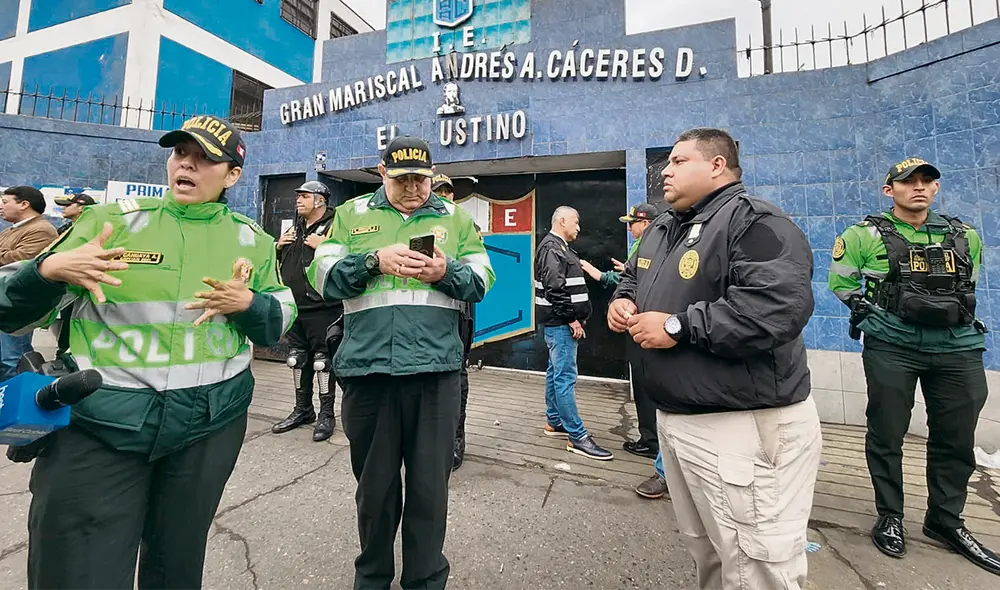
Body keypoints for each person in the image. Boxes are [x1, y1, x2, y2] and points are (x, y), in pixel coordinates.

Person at [0, 115, 296, 589]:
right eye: (181, 154)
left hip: (209, 425)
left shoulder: (252, 240)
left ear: (232, 175)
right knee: (76, 568)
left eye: (205, 159)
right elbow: (10, 312)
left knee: (176, 566)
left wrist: (249, 304)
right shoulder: (107, 223)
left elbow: (281, 315)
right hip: (100, 424)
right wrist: (49, 270)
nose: (188, 166)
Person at [608, 128, 820, 589]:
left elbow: (776, 308)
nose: (666, 169)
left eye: (680, 161)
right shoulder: (664, 227)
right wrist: (622, 302)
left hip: (742, 425)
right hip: (680, 420)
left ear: (717, 165)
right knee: (710, 554)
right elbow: (632, 277)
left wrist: (677, 326)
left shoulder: (755, 221)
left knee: (755, 566)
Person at [306, 136, 494, 589]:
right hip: (369, 373)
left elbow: (483, 281)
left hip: (435, 375)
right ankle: (371, 579)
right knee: (375, 494)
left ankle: (425, 581)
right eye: (402, 179)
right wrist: (373, 261)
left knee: (430, 494)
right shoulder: (350, 215)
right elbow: (324, 278)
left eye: (421, 179)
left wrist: (445, 271)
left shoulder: (457, 219)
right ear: (381, 172)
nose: (413, 188)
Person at [829, 157, 999, 575]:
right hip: (893, 345)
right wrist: (874, 320)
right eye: (908, 183)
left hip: (958, 347)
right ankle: (890, 514)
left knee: (956, 438)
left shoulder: (964, 235)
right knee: (886, 431)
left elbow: (968, 282)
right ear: (890, 191)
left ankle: (946, 520)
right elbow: (842, 282)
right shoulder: (863, 235)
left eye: (927, 181)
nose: (919, 188)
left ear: (936, 189)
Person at [536, 206, 613, 461]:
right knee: (565, 377)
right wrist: (573, 320)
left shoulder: (559, 248)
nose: (578, 228)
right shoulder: (552, 248)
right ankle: (577, 436)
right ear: (562, 221)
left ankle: (554, 421)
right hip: (562, 325)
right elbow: (554, 289)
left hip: (559, 324)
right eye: (576, 223)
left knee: (555, 372)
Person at [271, 180, 344, 442]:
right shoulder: (295, 226)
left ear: (320, 200)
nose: (298, 200)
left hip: (323, 306)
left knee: (323, 362)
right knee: (296, 359)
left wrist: (324, 245)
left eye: (304, 196)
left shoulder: (337, 225)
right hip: (296, 304)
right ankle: (302, 410)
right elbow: (284, 263)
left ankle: (327, 414)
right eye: (297, 196)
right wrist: (278, 247)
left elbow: (349, 257)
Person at [431, 172, 476, 471]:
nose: (446, 197)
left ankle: (456, 438)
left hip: (459, 313)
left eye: (449, 192)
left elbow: (477, 273)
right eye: (439, 191)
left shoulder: (462, 224)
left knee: (456, 376)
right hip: (427, 315)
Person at [0, 186, 58, 380]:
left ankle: (17, 402)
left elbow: (20, 262)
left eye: (5, 202)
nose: (1, 207)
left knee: (13, 359)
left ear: (24, 204)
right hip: (5, 298)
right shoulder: (13, 230)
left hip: (17, 304)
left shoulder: (42, 230)